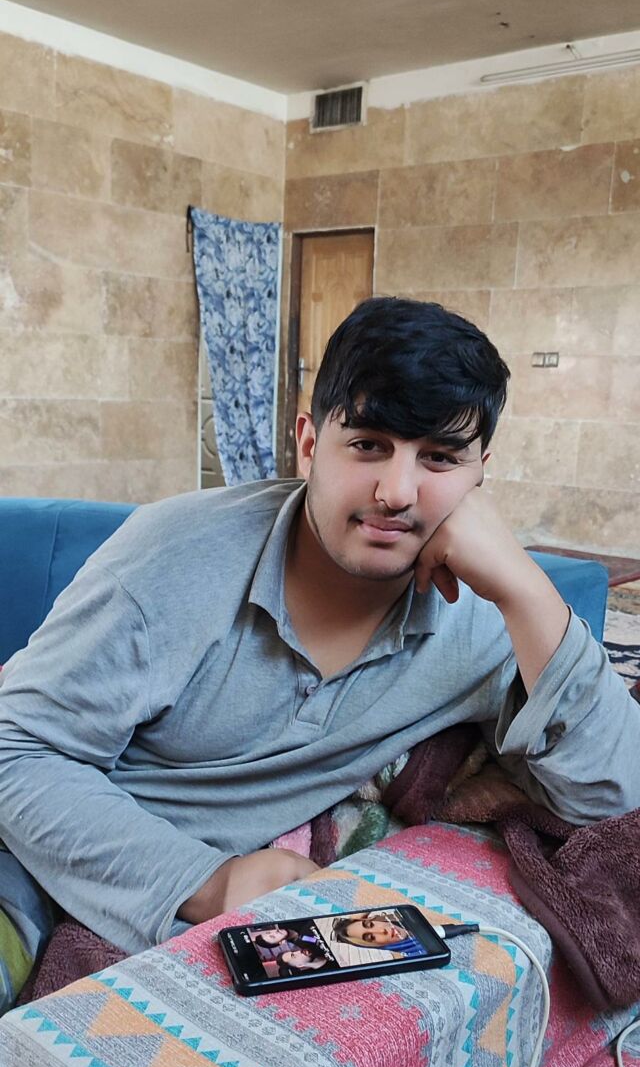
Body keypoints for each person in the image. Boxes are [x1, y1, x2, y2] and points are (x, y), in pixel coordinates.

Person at [0, 297, 638, 956]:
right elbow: (15, 748)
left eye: (441, 458)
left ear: (480, 476)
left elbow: (616, 802)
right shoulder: (171, 559)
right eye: (368, 445)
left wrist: (530, 594)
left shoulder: (485, 618)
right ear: (309, 444)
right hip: (32, 861)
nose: (397, 491)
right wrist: (210, 883)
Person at [331, 912, 425, 960]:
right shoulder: (418, 954)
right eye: (371, 937)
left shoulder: (410, 917)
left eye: (370, 924)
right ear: (375, 945)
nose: (381, 931)